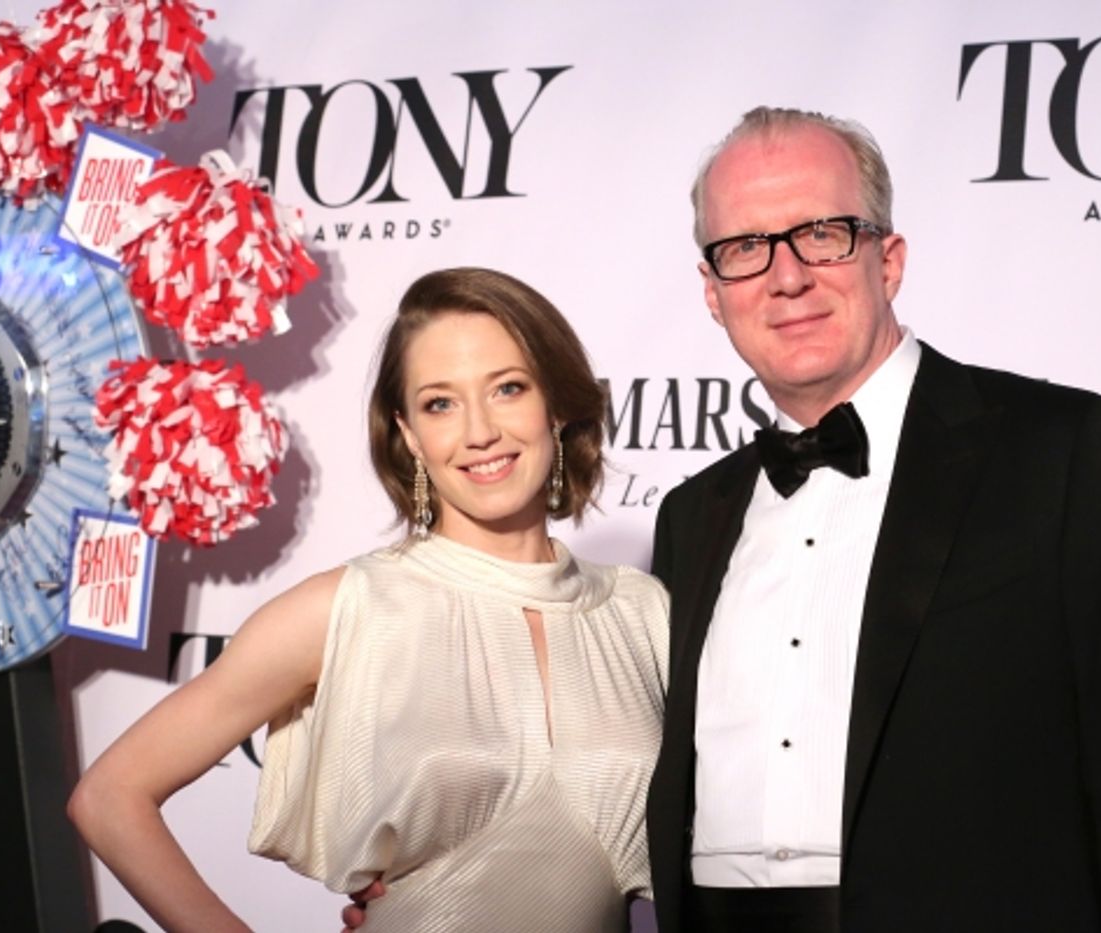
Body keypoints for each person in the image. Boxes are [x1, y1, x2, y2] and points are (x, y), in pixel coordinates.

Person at [643, 107, 1101, 932]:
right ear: (712, 292)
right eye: (746, 248)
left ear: (891, 259)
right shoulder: (690, 516)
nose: (788, 275)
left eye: (824, 233)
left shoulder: (1072, 456)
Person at [68, 267, 669, 932]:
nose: (479, 431)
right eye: (440, 403)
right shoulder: (349, 606)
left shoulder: (642, 612)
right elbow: (109, 796)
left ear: (554, 406)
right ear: (408, 432)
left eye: (507, 388)